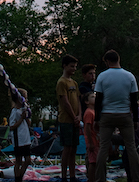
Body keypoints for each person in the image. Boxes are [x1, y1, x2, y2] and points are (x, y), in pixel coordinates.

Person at [94, 49, 139, 182]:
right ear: (118, 59)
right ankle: (137, 177)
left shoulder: (102, 76)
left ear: (107, 61)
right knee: (131, 147)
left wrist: (97, 118)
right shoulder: (130, 76)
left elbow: (98, 99)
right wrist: (135, 119)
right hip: (125, 114)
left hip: (107, 114)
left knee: (103, 147)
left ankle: (100, 178)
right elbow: (134, 100)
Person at [57, 54, 81, 182]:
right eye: (72, 66)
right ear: (65, 66)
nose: (74, 69)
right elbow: (65, 102)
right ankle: (64, 176)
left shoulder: (74, 83)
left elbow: (77, 99)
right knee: (67, 148)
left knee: (74, 148)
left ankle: (72, 175)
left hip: (75, 120)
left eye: (75, 67)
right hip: (66, 120)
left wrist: (79, 116)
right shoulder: (62, 82)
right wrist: (73, 116)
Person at [9, 88, 32, 182]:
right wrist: (21, 119)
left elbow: (29, 123)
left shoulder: (24, 110)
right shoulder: (14, 112)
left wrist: (26, 117)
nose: (26, 100)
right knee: (18, 160)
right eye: (25, 98)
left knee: (28, 160)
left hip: (25, 138)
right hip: (18, 138)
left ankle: (20, 176)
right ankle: (17, 178)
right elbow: (11, 126)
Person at [83, 92, 99, 182]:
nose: (95, 98)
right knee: (93, 162)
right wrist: (90, 142)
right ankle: (91, 179)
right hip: (92, 140)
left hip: (96, 140)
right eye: (92, 97)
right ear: (87, 101)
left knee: (96, 161)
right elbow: (87, 128)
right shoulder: (89, 112)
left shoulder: (94, 112)